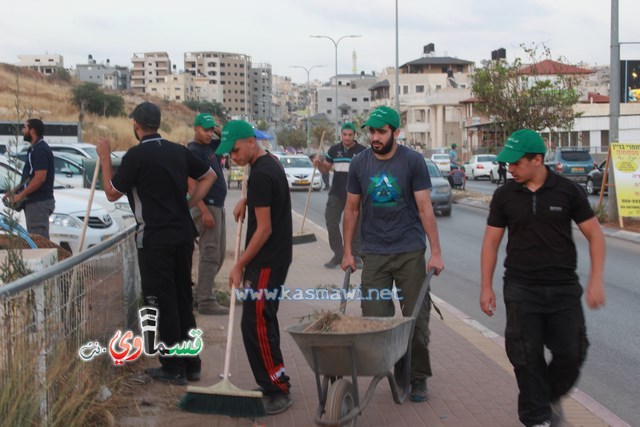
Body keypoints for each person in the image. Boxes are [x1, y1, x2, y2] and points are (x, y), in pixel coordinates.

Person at [480, 129, 606, 427]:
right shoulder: (504, 195)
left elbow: (595, 235)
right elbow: (491, 242)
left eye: (515, 163)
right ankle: (536, 418)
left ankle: (547, 397)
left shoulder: (568, 191)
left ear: (537, 160)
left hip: (563, 288)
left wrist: (596, 280)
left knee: (572, 352)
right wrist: (486, 286)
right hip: (521, 288)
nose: (509, 168)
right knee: (525, 356)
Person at [97, 102, 216, 385]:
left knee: (162, 302)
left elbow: (112, 193)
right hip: (183, 235)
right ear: (158, 124)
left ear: (137, 125)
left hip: (154, 239)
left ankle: (173, 366)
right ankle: (192, 364)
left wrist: (104, 159)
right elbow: (209, 175)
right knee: (182, 298)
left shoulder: (136, 156)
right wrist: (191, 202)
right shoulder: (178, 151)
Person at [342, 106, 444, 402]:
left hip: (410, 251)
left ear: (395, 133)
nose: (374, 137)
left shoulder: (412, 162)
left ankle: (417, 376)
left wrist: (435, 253)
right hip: (373, 253)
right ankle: (394, 365)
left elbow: (425, 208)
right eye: (371, 131)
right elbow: (351, 208)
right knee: (376, 320)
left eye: (381, 132)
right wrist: (348, 251)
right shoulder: (359, 163)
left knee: (415, 319)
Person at [215, 120, 293, 415]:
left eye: (234, 151)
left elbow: (263, 230)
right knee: (263, 322)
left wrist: (238, 265)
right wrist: (247, 199)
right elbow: (270, 197)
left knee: (256, 323)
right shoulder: (268, 164)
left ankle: (277, 387)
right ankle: (273, 379)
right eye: (228, 155)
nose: (232, 158)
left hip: (266, 262)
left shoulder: (261, 173)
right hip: (274, 259)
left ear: (250, 142)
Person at [188, 113, 229, 315]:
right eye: (205, 130)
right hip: (207, 206)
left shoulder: (210, 147)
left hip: (218, 206)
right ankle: (206, 300)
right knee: (210, 253)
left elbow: (226, 139)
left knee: (219, 255)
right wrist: (203, 210)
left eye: (210, 130)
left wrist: (215, 127)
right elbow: (191, 183)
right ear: (195, 128)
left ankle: (198, 294)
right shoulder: (193, 150)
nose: (208, 134)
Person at [313, 122, 366, 269]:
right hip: (337, 192)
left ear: (355, 135)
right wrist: (319, 165)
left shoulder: (363, 151)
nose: (347, 138)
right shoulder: (334, 150)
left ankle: (355, 255)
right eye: (344, 134)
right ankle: (339, 254)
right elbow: (326, 169)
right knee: (331, 221)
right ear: (341, 134)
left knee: (355, 226)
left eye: (350, 135)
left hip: (356, 194)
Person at [4, 119, 55, 239]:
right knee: (33, 238)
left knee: (38, 240)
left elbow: (39, 178)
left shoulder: (40, 150)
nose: (22, 131)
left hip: (38, 202)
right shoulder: (33, 149)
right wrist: (13, 192)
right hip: (34, 203)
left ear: (32, 131)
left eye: (24, 128)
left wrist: (20, 196)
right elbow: (29, 178)